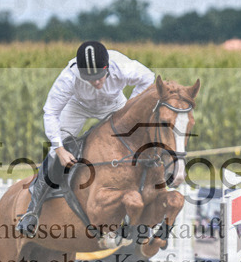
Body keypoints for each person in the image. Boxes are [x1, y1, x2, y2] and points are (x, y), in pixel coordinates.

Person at [16, 40, 158, 237]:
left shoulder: (122, 66)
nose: (96, 83)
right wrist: (59, 149)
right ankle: (32, 210)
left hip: (113, 105)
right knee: (57, 151)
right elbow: (50, 112)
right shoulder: (69, 77)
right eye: (90, 78)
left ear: (107, 67)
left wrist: (129, 106)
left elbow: (148, 78)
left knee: (134, 143)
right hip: (77, 107)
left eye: (100, 77)